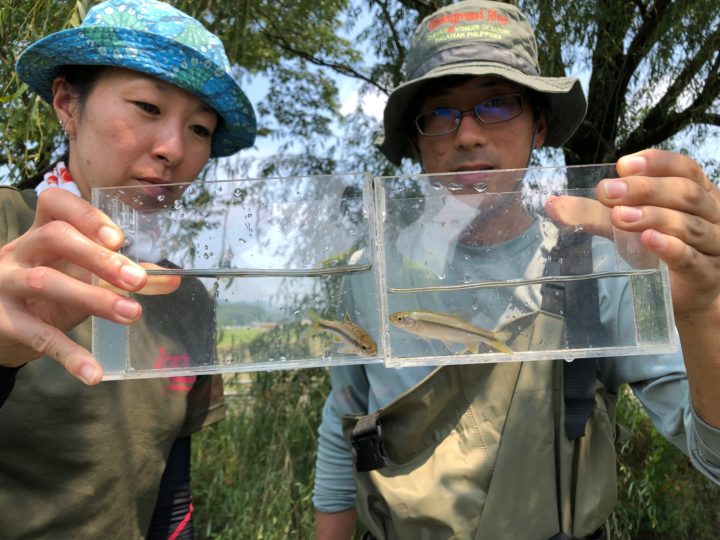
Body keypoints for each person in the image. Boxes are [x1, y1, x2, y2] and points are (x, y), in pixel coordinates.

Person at [313, 1, 720, 539]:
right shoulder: (368, 276)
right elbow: (344, 426)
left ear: (540, 126)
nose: (466, 135)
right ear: (415, 142)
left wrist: (706, 312)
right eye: (438, 114)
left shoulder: (600, 262)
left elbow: (710, 453)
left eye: (498, 104)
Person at [0, 0, 256, 538]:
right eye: (146, 106)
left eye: (201, 130)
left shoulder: (186, 298)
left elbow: (169, 492)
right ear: (68, 102)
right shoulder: (6, 227)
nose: (173, 150)